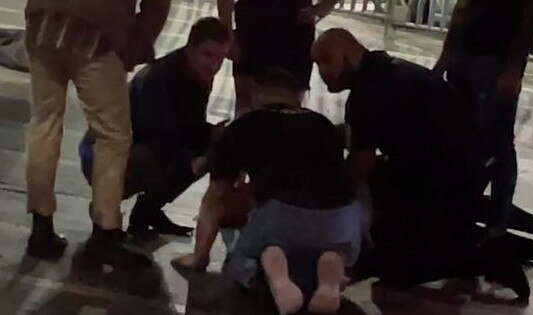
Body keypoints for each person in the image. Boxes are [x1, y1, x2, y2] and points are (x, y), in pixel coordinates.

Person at [312, 28, 533, 303]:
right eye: (316, 64)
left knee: (398, 266)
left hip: (444, 178)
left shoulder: (367, 92)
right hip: (463, 165)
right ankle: (485, 242)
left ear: (347, 54)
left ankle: (484, 259)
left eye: (325, 61)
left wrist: (322, 199)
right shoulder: (389, 69)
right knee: (392, 199)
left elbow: (360, 165)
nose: (321, 72)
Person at [173, 69, 368, 314]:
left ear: (256, 95)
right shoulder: (322, 124)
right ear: (298, 97)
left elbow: (215, 198)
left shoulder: (244, 126)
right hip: (343, 221)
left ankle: (278, 282)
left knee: (256, 251)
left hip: (282, 220)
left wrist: (199, 257)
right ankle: (328, 280)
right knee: (328, 251)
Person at [24, 0, 170, 265]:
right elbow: (158, 4)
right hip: (95, 27)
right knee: (112, 135)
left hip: (42, 16)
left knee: (45, 120)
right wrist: (135, 46)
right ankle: (105, 230)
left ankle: (40, 226)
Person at [79, 17, 232, 238]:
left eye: (220, 58)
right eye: (208, 55)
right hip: (107, 156)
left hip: (141, 145)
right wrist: (192, 162)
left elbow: (186, 129)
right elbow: (160, 138)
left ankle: (146, 212)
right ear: (190, 48)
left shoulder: (195, 74)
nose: (214, 65)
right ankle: (107, 208)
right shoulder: (162, 79)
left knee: (211, 152)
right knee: (186, 160)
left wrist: (213, 135)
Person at [433, 0, 533, 239]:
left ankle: (494, 221)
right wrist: (447, 55)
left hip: (493, 58)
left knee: (496, 145)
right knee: (470, 140)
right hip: (471, 55)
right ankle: (472, 214)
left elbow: (530, 17)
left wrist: (514, 68)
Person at [217, 0, 338, 116]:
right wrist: (228, 34)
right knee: (247, 106)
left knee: (289, 109)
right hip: (254, 30)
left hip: (294, 35)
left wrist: (318, 10)